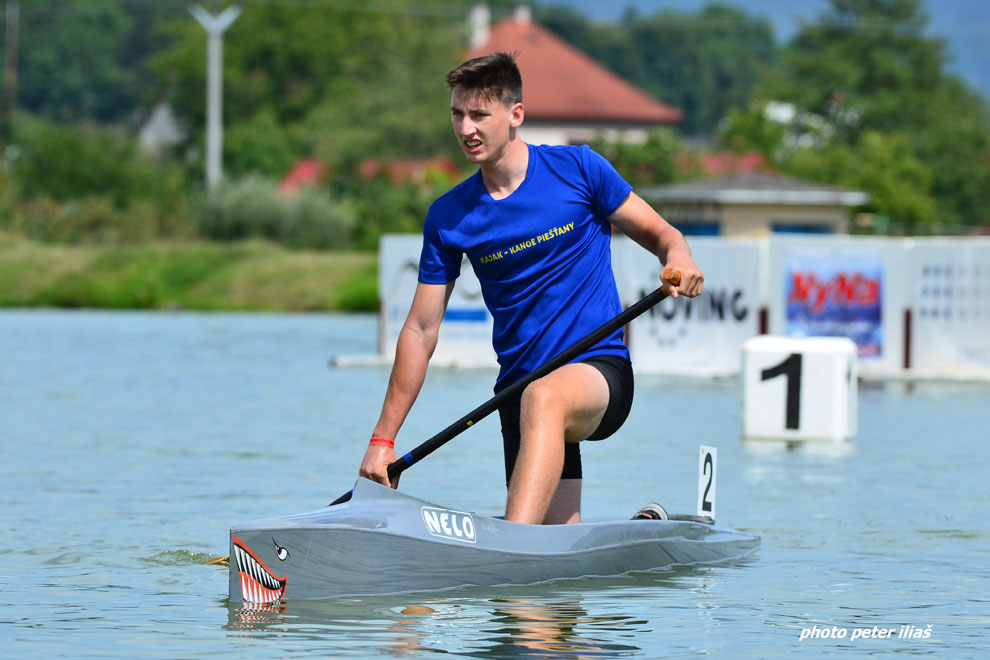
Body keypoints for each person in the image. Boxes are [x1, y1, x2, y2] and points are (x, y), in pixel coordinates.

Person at [359, 51, 703, 525]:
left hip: (598, 371)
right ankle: (647, 528)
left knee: (544, 402)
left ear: (515, 114)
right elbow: (420, 330)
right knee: (553, 552)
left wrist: (680, 259)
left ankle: (510, 544)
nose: (465, 128)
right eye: (457, 114)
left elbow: (665, 235)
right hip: (517, 392)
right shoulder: (448, 215)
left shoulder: (579, 169)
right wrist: (382, 440)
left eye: (479, 115)